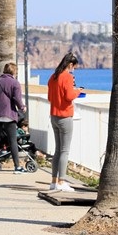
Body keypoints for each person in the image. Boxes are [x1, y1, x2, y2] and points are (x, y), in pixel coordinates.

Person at [0, 62, 27, 174]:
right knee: (12, 141)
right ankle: (17, 167)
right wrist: (22, 107)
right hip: (9, 115)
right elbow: (17, 99)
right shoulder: (15, 83)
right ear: (14, 71)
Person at [47, 53, 80, 192]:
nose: (74, 70)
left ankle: (54, 181)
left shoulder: (53, 76)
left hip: (54, 115)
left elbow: (50, 96)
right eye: (74, 67)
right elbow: (69, 96)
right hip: (65, 116)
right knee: (65, 151)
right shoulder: (67, 76)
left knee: (57, 150)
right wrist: (78, 91)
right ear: (70, 65)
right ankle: (62, 181)